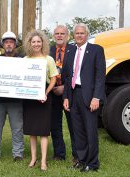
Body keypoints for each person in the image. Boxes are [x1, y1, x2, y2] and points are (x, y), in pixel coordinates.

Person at [63, 23, 106, 172]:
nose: (79, 35)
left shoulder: (96, 50)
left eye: (82, 33)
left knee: (90, 130)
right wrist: (66, 97)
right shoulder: (70, 51)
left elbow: (100, 76)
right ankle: (81, 160)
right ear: (73, 35)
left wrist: (97, 97)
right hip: (74, 94)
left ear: (87, 34)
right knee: (78, 130)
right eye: (77, 33)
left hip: (89, 96)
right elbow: (68, 77)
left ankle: (92, 163)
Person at [23, 30, 58, 171]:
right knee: (32, 130)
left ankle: (43, 161)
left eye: (39, 41)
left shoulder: (48, 59)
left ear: (42, 43)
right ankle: (33, 158)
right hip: (29, 98)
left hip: (44, 97)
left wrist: (46, 93)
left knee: (43, 131)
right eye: (34, 42)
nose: (36, 44)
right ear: (29, 44)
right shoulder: (25, 60)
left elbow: (54, 78)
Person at [0, 31, 24, 162]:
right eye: (6, 42)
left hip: (16, 100)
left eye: (11, 42)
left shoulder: (23, 60)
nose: (9, 44)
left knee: (17, 128)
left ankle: (18, 154)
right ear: (3, 45)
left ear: (15, 44)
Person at [50, 25, 77, 162]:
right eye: (57, 33)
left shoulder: (75, 50)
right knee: (54, 125)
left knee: (74, 125)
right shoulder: (48, 51)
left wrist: (65, 87)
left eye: (62, 33)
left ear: (68, 36)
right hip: (52, 94)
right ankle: (59, 154)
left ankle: (77, 155)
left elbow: (77, 72)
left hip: (69, 93)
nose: (59, 36)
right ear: (53, 36)